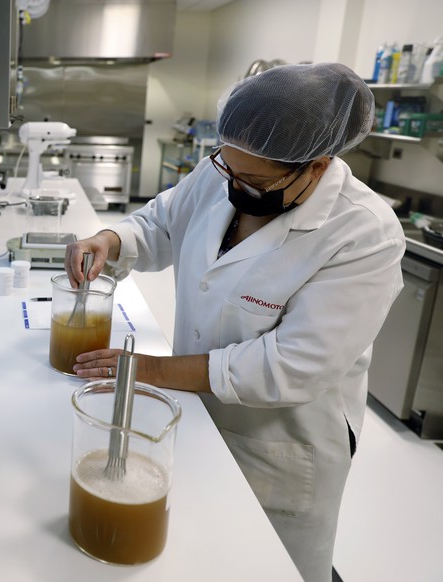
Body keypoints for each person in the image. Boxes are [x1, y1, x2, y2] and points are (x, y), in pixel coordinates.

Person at [65, 63, 405, 581]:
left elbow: (291, 366)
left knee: (259, 564)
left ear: (317, 164)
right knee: (191, 557)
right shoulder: (222, 170)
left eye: (256, 180)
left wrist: (149, 371)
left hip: (278, 443)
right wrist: (111, 241)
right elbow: (160, 222)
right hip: (198, 414)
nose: (235, 186)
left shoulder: (363, 233)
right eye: (229, 169)